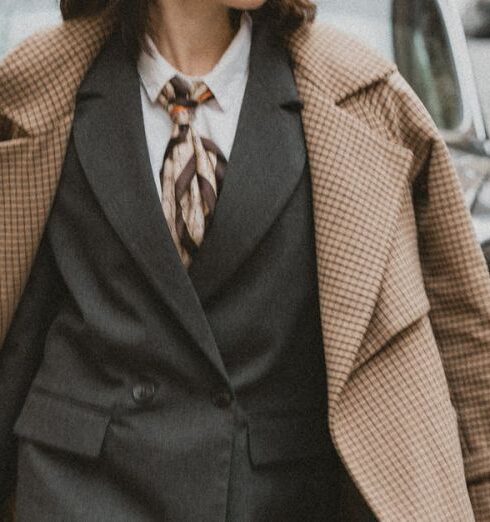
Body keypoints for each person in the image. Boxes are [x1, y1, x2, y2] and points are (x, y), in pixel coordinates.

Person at [1, 0, 489, 520]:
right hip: (78, 491)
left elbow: (462, 333)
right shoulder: (34, 91)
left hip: (277, 495)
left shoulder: (363, 99)